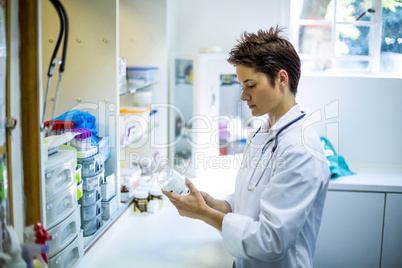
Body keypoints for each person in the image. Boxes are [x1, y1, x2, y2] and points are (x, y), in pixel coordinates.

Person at [162, 26, 330, 268]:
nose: (243, 96)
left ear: (282, 79)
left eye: (250, 85)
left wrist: (204, 214)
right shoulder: (263, 133)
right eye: (242, 85)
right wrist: (217, 205)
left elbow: (271, 241)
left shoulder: (301, 150)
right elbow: (253, 200)